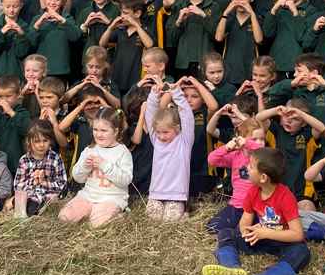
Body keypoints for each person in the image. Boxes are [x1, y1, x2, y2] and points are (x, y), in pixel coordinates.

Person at [200, 147, 310, 275]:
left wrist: (265, 232)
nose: (246, 168)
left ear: (263, 177)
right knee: (226, 233)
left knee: (302, 252)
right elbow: (245, 221)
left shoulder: (286, 197)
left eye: (251, 167)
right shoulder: (253, 191)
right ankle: (231, 267)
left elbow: (297, 234)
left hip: (282, 242)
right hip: (259, 238)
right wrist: (246, 231)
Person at [58, 107, 133, 227]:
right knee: (65, 217)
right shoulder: (89, 150)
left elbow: (125, 180)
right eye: (95, 130)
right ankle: (90, 211)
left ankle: (120, 215)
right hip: (88, 196)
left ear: (116, 131)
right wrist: (85, 166)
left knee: (97, 223)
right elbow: (78, 178)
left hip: (111, 198)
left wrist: (105, 165)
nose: (98, 134)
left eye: (104, 130)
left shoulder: (122, 152)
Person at [140, 81, 194, 221]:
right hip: (156, 193)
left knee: (169, 221)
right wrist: (153, 95)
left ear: (176, 128)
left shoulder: (184, 141)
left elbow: (187, 116)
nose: (161, 136)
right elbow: (150, 115)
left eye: (165, 132)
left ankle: (184, 214)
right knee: (153, 219)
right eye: (158, 132)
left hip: (176, 195)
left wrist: (177, 94)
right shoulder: (156, 140)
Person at [206, 117, 267, 232]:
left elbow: (261, 149)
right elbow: (211, 160)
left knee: (254, 231)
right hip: (237, 205)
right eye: (255, 139)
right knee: (212, 227)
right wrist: (227, 147)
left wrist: (248, 143)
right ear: (241, 138)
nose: (260, 142)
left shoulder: (264, 158)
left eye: (262, 139)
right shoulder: (236, 156)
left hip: (258, 209)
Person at [9, 121, 67, 217]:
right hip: (29, 195)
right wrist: (34, 181)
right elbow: (18, 185)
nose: (41, 145)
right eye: (37, 141)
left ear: (50, 141)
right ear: (29, 142)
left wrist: (43, 182)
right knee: (22, 198)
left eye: (45, 141)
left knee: (51, 200)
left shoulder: (55, 158)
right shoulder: (24, 160)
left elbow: (62, 184)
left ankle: (34, 210)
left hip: (48, 195)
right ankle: (26, 209)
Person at [166, 0, 217, 78]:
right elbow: (171, 40)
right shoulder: (179, 5)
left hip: (205, 62)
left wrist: (203, 16)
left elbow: (217, 36)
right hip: (183, 62)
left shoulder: (213, 5)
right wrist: (179, 21)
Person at [100, 0, 154, 96]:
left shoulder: (144, 30)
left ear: (137, 13)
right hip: (117, 74)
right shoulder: (121, 29)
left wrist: (136, 25)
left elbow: (149, 44)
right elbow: (102, 44)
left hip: (135, 76)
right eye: (121, 12)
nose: (122, 16)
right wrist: (111, 27)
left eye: (125, 13)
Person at [214, 0, 263, 87]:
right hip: (230, 69)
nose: (240, 1)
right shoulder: (228, 18)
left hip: (250, 69)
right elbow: (218, 38)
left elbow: (259, 39)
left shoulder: (257, 18)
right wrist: (226, 13)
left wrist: (252, 14)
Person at [0, 75, 31, 176]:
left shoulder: (22, 113)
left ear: (18, 95)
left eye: (8, 96)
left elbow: (26, 130)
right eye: (0, 96)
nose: (4, 100)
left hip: (15, 162)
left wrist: (11, 112)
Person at [31, 0, 83, 82]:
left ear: (62, 1)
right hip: (41, 70)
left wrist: (61, 19)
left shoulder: (67, 19)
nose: (52, 2)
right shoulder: (37, 19)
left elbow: (75, 36)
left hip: (61, 71)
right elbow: (30, 42)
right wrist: (37, 25)